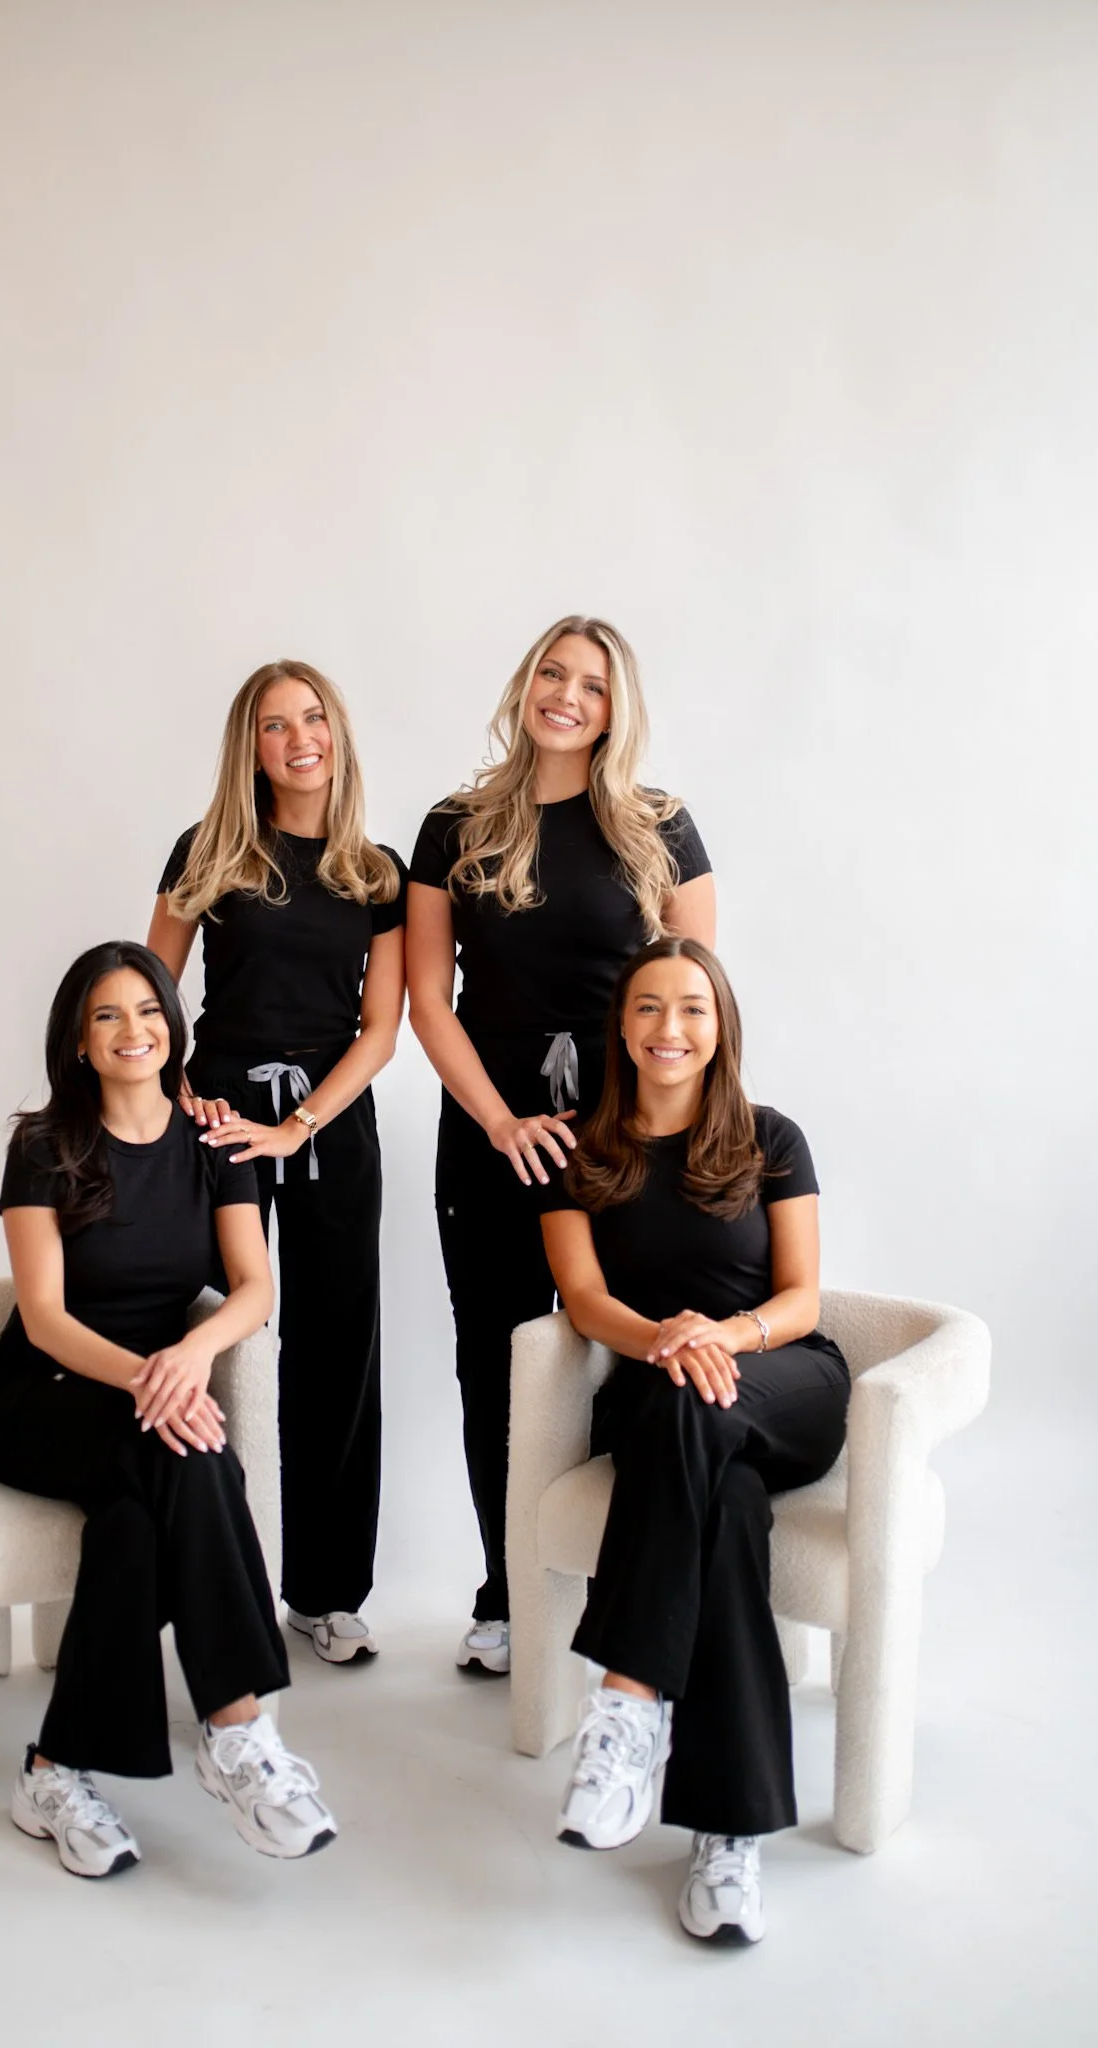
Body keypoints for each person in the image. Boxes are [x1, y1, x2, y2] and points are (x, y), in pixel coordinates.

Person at [0, 941, 337, 1879]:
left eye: (148, 1011)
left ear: (174, 1026)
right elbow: (44, 1319)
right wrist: (148, 1380)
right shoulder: (43, 1146)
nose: (133, 1031)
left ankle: (53, 1772)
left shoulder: (216, 1140)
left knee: (134, 1526)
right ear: (79, 1043)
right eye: (107, 1016)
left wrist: (190, 1354)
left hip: (148, 1392)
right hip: (39, 1396)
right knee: (199, 1456)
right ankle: (237, 1729)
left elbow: (254, 1289)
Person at [406, 616, 714, 1672]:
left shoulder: (658, 822)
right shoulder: (455, 824)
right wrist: (498, 1118)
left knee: (624, 1348)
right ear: (524, 682)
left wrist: (634, 1125)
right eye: (552, 671)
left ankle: (620, 1589)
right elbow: (427, 1001)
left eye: (590, 682)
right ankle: (505, 1595)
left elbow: (691, 997)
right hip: (492, 1135)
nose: (566, 694)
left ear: (614, 704)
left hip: (624, 1136)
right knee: (494, 1365)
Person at [536, 936, 850, 1945]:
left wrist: (721, 1333)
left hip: (781, 1381)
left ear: (719, 1029)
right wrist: (665, 1339)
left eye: (691, 1009)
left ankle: (627, 1700)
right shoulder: (578, 1153)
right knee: (724, 1508)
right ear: (619, 1026)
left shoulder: (771, 1136)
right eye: (647, 1008)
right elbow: (584, 1301)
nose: (669, 1028)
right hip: (671, 1401)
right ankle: (727, 1836)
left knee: (691, 1401)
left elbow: (801, 1297)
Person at [147, 661, 406, 1664]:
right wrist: (180, 1100)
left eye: (313, 719)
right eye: (273, 725)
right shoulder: (210, 848)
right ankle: (199, 1576)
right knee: (215, 1340)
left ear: (336, 733)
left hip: (329, 1118)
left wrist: (298, 1128)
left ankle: (326, 1592)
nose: (299, 738)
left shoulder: (376, 872)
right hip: (216, 1114)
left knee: (340, 1350)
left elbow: (381, 1029)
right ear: (247, 747)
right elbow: (146, 991)